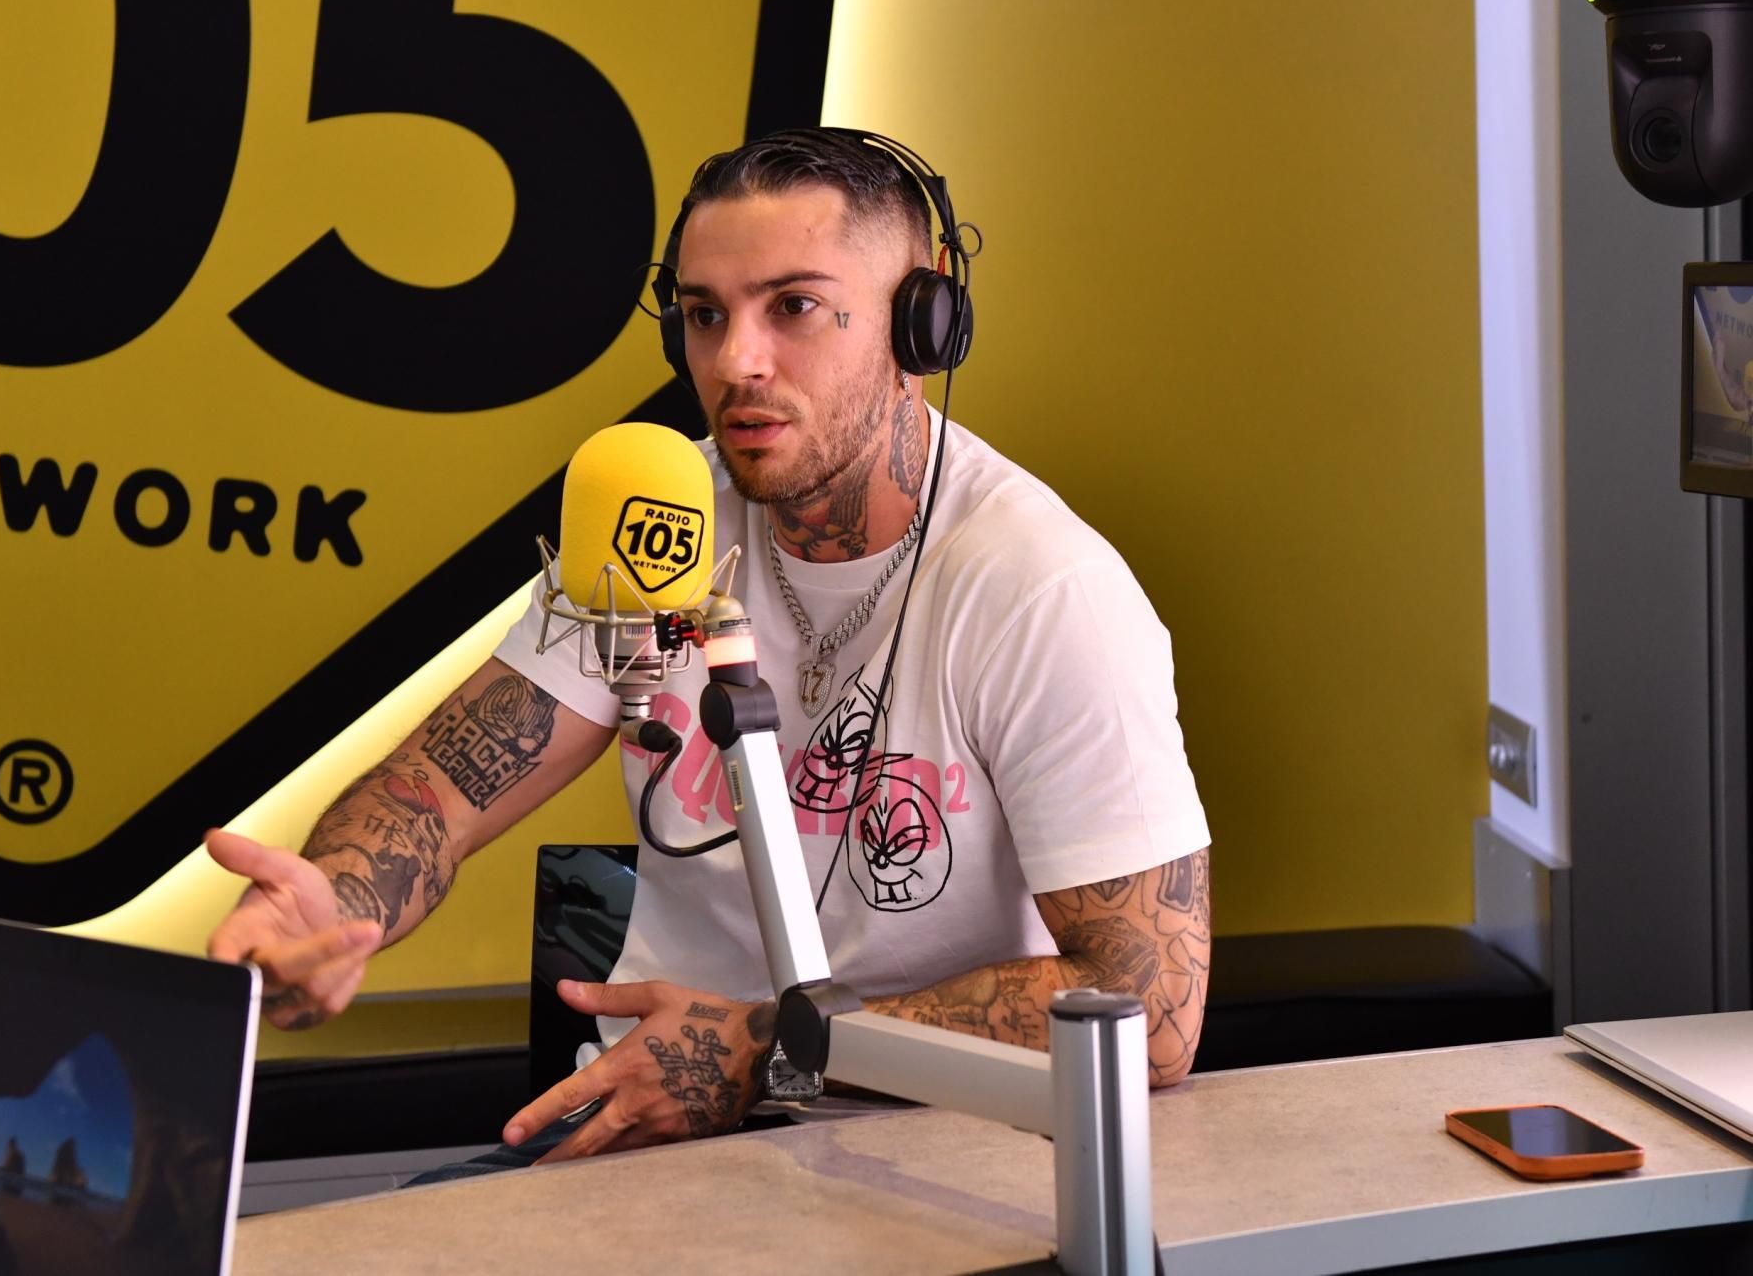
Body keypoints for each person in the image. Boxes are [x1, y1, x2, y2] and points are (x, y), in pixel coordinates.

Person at [205, 128, 1211, 1172]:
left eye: (795, 307)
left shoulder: (1042, 592)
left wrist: (770, 1052)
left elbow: (1151, 1006)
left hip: (937, 1159)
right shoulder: (656, 524)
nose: (736, 363)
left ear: (921, 325)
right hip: (646, 1141)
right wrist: (333, 903)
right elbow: (439, 788)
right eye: (703, 316)